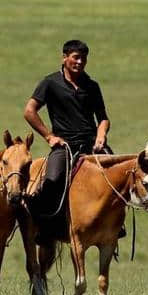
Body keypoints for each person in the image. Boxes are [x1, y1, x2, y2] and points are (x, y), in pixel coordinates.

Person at [23, 39, 112, 242]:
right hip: (63, 145)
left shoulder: (92, 86)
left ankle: (115, 224)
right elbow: (29, 111)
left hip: (92, 144)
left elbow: (103, 118)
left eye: (84, 58)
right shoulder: (50, 83)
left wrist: (101, 135)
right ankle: (46, 229)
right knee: (52, 180)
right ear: (64, 58)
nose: (80, 62)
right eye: (76, 57)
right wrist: (49, 136)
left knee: (117, 177)